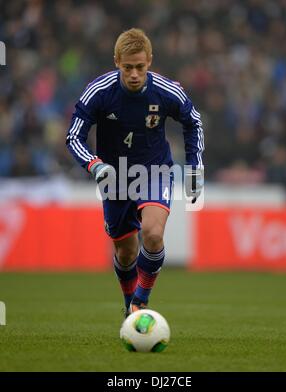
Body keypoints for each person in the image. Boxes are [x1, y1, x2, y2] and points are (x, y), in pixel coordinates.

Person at [66, 28, 204, 317]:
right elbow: (73, 136)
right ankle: (130, 308)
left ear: (150, 62)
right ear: (116, 61)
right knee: (125, 253)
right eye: (127, 67)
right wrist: (95, 164)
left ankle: (140, 302)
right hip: (114, 178)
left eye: (140, 67)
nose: (133, 74)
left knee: (153, 234)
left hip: (154, 171)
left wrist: (194, 169)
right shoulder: (99, 92)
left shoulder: (167, 91)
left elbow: (193, 121)